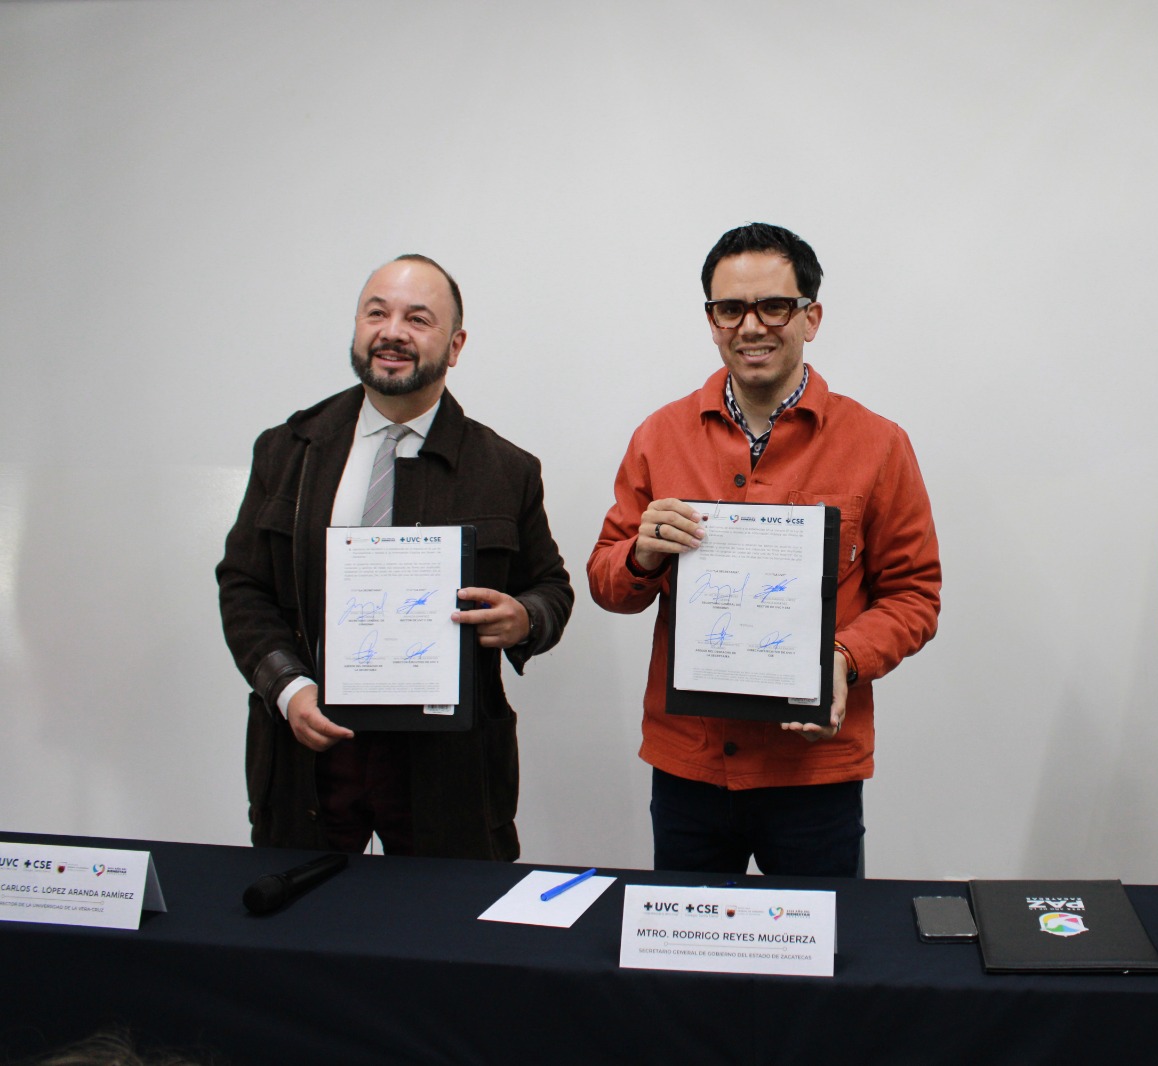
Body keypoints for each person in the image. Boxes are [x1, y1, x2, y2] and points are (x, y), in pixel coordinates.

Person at [588, 223, 941, 877]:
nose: (752, 326)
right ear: (712, 321)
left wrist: (843, 658)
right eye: (730, 309)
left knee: (817, 970)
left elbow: (916, 596)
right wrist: (640, 556)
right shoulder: (659, 436)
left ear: (811, 316)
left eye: (774, 306)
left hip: (813, 774)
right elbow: (606, 580)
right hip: (689, 768)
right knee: (689, 964)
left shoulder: (879, 445)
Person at [217, 254, 573, 860]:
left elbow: (551, 588)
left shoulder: (505, 470)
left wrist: (525, 618)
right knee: (304, 931)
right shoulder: (288, 451)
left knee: (443, 934)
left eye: (418, 318)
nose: (392, 332)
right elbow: (243, 585)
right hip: (314, 749)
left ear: (454, 345)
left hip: (448, 766)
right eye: (376, 313)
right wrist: (288, 688)